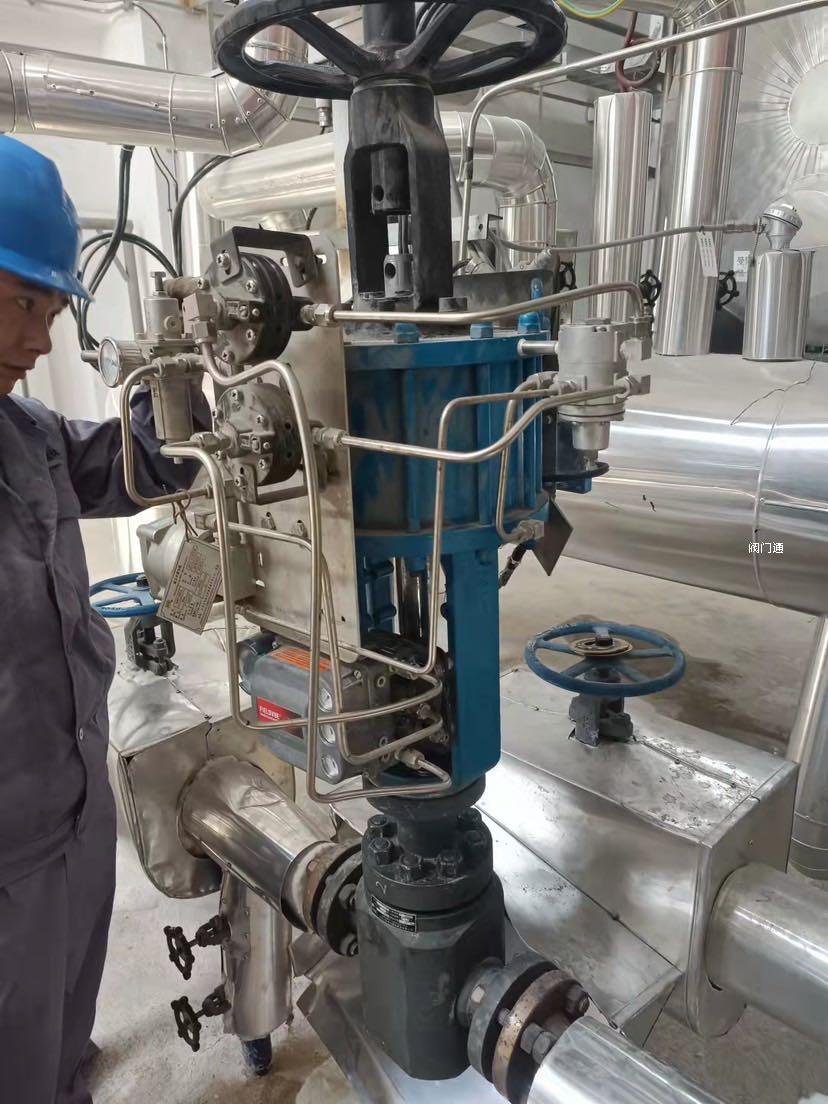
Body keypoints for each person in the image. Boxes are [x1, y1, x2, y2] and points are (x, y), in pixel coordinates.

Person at [0, 135, 209, 1103]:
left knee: (63, 1031)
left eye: (51, 312)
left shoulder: (25, 431)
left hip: (82, 802)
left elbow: (130, 466)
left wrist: (184, 384)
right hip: (7, 843)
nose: (42, 340)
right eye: (24, 305)